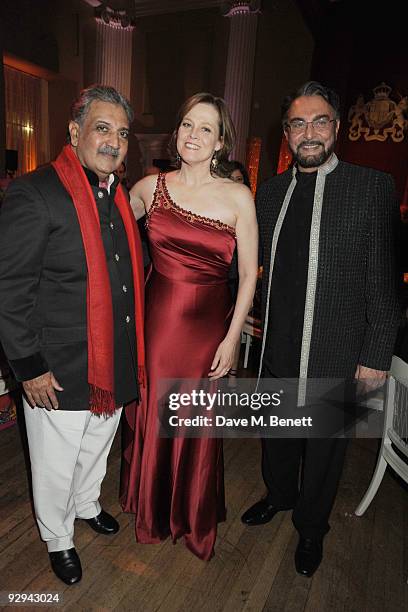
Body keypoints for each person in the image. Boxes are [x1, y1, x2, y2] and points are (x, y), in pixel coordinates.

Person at [241, 81, 401, 577]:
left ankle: (312, 530)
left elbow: (384, 281)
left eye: (319, 121)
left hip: (340, 349)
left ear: (335, 127)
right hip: (279, 348)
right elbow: (253, 265)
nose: (308, 132)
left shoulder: (371, 187)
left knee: (327, 450)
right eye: (297, 123)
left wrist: (376, 355)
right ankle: (280, 496)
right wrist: (245, 306)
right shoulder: (267, 194)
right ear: (286, 133)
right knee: (279, 435)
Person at [0, 85, 145, 585]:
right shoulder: (35, 191)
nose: (114, 142)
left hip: (110, 362)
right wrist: (28, 365)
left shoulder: (116, 195)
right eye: (103, 128)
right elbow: (10, 287)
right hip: (57, 367)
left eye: (122, 133)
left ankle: (86, 505)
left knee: (97, 446)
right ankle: (57, 537)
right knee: (56, 462)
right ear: (75, 131)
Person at [120, 92, 258, 560]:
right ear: (176, 132)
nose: (193, 135)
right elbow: (107, 244)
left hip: (207, 333)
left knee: (195, 420)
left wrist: (232, 336)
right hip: (157, 325)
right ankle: (152, 511)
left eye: (206, 128)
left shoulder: (239, 196)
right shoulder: (147, 188)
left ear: (221, 142)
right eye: (187, 125)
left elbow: (247, 276)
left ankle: (191, 515)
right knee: (155, 415)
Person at [227, 160, 251, 385]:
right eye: (230, 179)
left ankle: (233, 376)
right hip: (219, 278)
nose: (235, 184)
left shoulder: (248, 209)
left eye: (239, 179)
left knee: (234, 329)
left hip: (237, 278)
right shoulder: (217, 206)